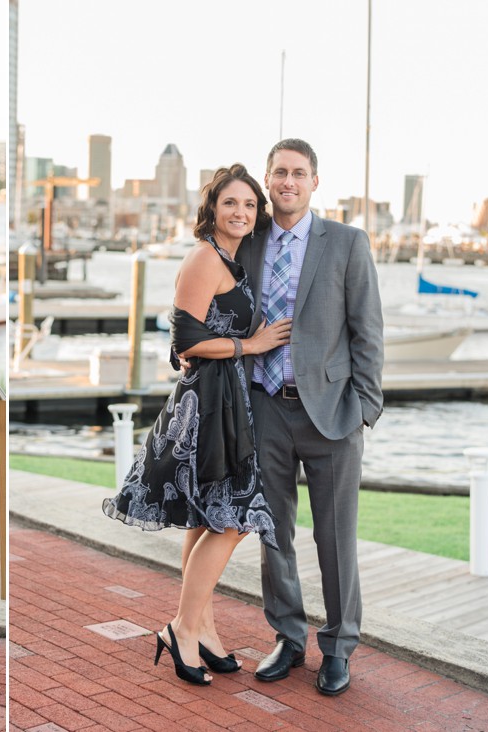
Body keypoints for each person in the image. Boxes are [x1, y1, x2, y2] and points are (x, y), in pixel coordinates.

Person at [103, 164, 288, 685]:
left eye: (250, 205)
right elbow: (187, 340)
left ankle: (201, 629)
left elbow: (182, 330)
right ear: (213, 208)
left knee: (208, 517)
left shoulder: (230, 258)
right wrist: (250, 345)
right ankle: (183, 628)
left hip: (224, 399)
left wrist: (204, 349)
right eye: (232, 203)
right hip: (206, 406)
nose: (242, 212)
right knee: (231, 520)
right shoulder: (206, 257)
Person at [237, 139, 384, 697]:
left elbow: (367, 330)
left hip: (332, 414)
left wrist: (365, 408)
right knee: (273, 532)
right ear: (268, 180)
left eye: (299, 173)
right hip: (265, 407)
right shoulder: (248, 243)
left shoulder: (347, 242)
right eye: (279, 173)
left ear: (315, 182)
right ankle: (289, 637)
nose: (288, 182)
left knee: (335, 538)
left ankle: (339, 648)